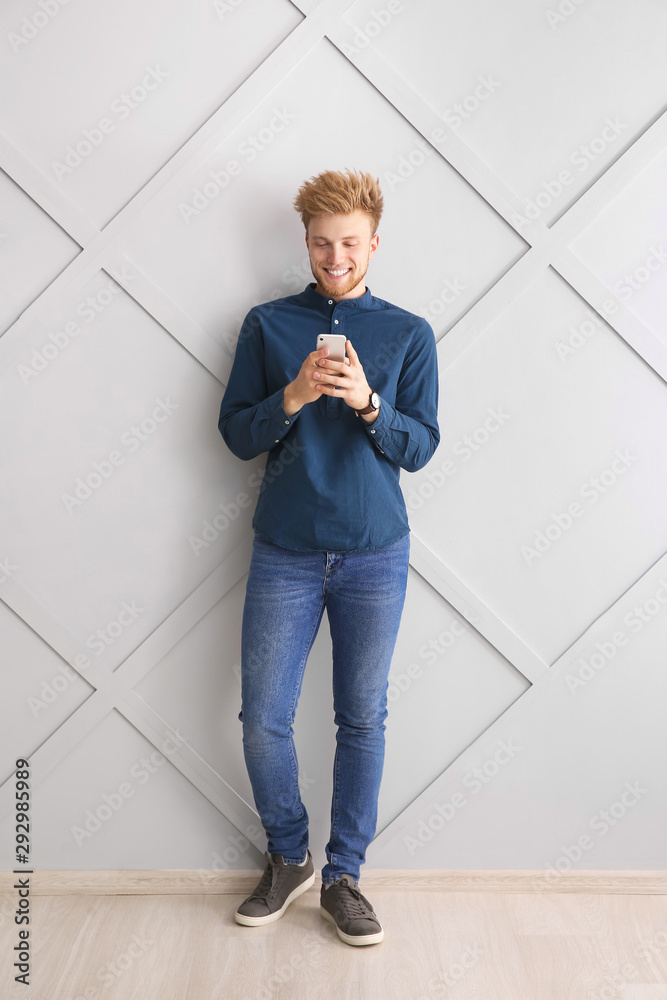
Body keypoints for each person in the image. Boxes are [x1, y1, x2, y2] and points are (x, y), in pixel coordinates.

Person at [217, 168, 439, 946]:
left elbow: (421, 449)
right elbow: (235, 434)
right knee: (262, 720)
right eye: (321, 242)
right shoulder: (268, 324)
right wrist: (293, 397)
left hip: (375, 552)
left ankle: (344, 876)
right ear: (304, 243)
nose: (334, 256)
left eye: (349, 242)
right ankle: (289, 856)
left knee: (361, 719)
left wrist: (370, 404)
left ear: (373, 243)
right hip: (284, 549)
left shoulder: (409, 333)